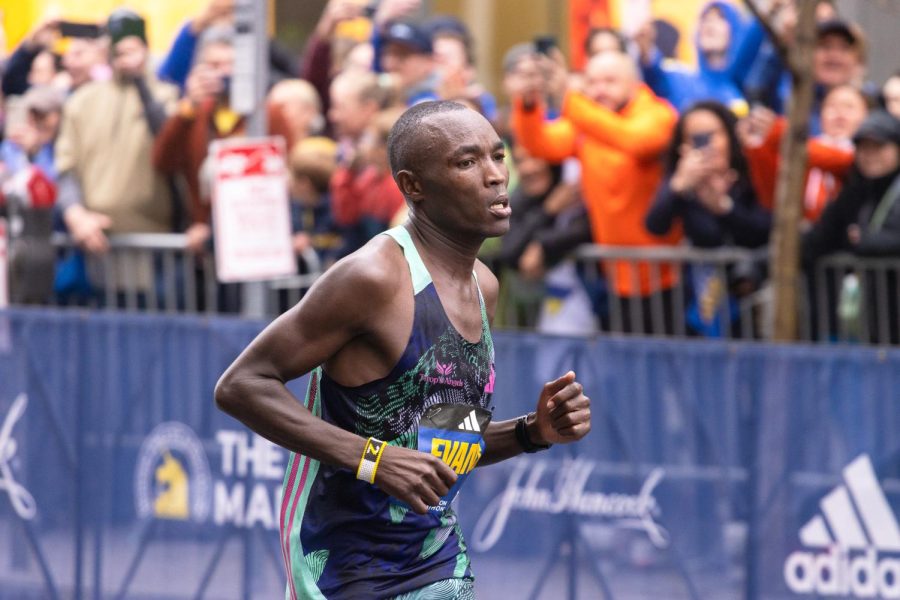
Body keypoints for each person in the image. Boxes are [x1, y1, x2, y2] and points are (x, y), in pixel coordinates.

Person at [214, 101, 591, 598]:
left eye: (498, 157)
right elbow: (241, 385)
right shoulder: (373, 276)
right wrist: (373, 459)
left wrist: (530, 432)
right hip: (343, 566)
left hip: (436, 560)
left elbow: (436, 439)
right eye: (467, 162)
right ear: (414, 186)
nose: (496, 176)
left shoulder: (484, 286)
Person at [512, 51, 682, 334]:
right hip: (614, 275)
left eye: (610, 81)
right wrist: (529, 105)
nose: (599, 89)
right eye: (592, 81)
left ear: (633, 83)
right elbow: (543, 145)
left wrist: (569, 99)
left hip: (666, 275)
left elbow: (634, 140)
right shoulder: (589, 120)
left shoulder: (657, 113)